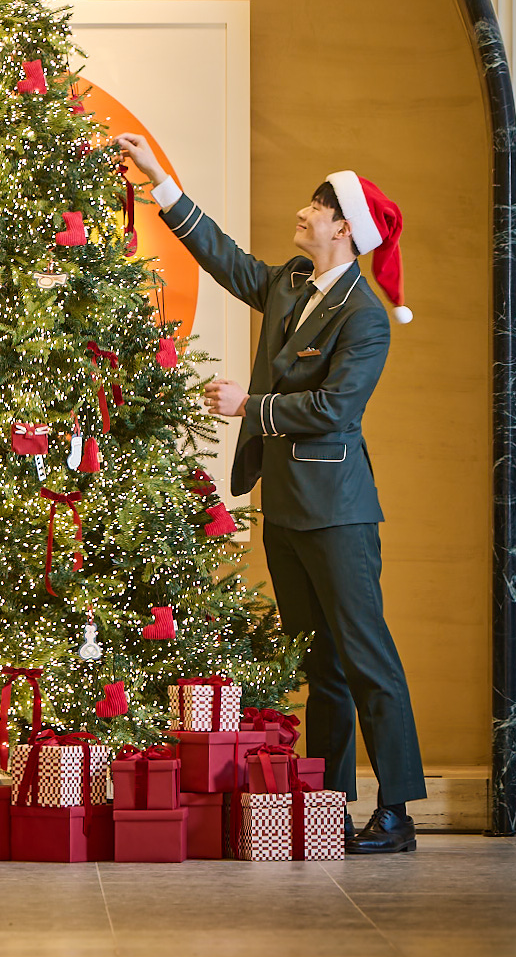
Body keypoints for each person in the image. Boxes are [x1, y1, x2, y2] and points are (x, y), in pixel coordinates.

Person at [118, 134, 425, 856]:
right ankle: (328, 802)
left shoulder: (365, 316)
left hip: (339, 512)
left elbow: (333, 409)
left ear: (344, 227)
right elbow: (227, 260)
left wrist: (248, 407)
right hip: (286, 508)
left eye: (316, 207)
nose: (303, 212)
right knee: (317, 663)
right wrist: (163, 183)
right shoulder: (291, 281)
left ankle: (399, 810)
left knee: (365, 659)